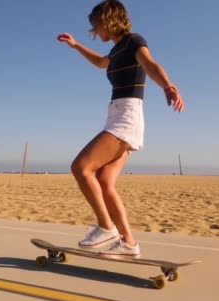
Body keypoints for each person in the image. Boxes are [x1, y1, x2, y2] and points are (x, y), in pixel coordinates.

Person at [57, 0, 184, 257]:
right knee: (104, 182)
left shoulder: (133, 41)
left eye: (96, 27)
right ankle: (128, 243)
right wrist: (75, 46)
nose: (94, 32)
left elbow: (150, 65)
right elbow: (100, 62)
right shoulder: (116, 52)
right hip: (119, 115)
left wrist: (168, 85)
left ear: (108, 21)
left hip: (126, 116)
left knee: (80, 167)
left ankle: (107, 227)